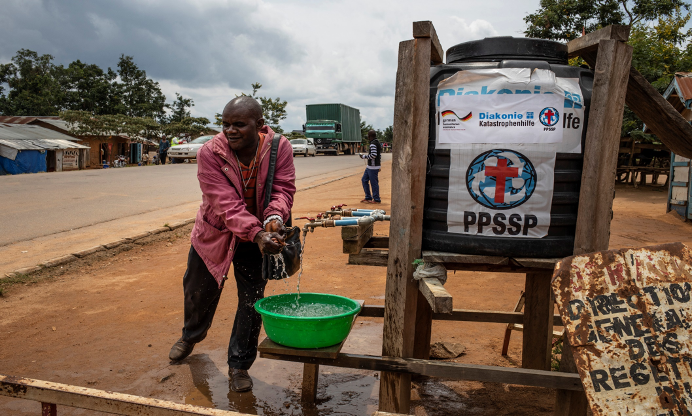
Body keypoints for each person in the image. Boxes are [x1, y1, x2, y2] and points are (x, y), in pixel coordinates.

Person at [168, 96, 296, 393]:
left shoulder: (280, 148)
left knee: (252, 301)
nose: (230, 130)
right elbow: (224, 204)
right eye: (225, 124)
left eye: (239, 124)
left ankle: (239, 365)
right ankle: (191, 335)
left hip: (258, 237)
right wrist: (257, 233)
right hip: (216, 233)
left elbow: (283, 188)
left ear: (260, 126)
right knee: (198, 291)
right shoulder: (210, 152)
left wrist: (274, 218)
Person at [360, 130, 382, 204]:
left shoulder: (373, 144)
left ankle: (376, 199)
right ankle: (368, 197)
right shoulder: (377, 142)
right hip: (370, 166)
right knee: (364, 180)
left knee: (374, 183)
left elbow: (374, 155)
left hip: (373, 167)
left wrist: (364, 156)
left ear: (369, 136)